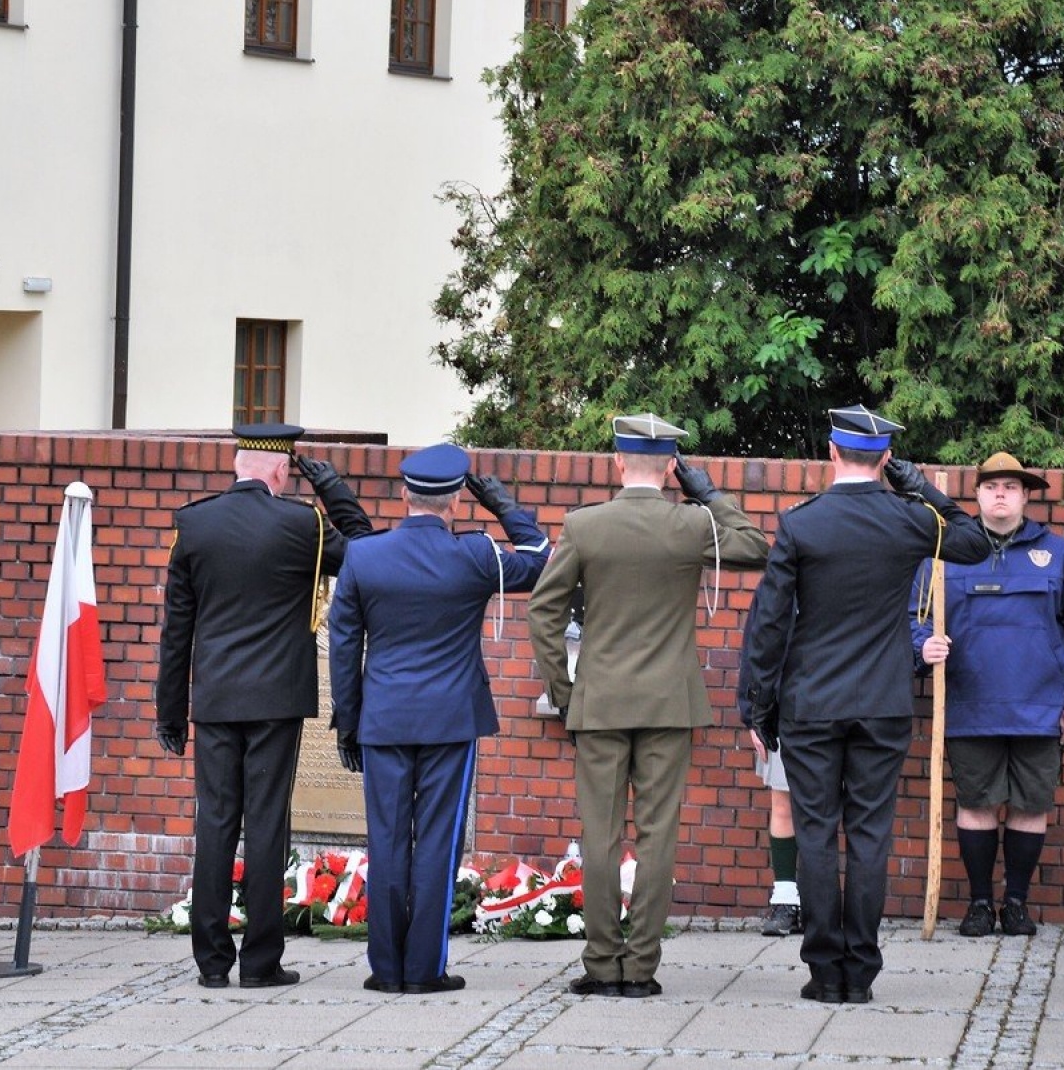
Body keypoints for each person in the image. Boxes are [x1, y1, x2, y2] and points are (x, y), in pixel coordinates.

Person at [743, 405, 991, 1006]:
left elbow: (770, 624)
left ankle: (825, 971)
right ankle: (862, 972)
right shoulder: (908, 519)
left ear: (831, 453)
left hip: (811, 703)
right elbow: (976, 540)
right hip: (882, 701)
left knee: (817, 835)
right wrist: (920, 486)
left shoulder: (802, 524)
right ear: (884, 458)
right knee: (871, 835)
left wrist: (758, 707)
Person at [529, 414, 770, 999]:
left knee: (601, 835)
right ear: (669, 467)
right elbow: (755, 547)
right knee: (659, 835)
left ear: (617, 463)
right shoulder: (690, 523)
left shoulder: (585, 526)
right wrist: (711, 494)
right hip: (669, 703)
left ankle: (601, 964)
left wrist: (565, 694)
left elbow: (544, 613)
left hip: (601, 703)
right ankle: (641, 969)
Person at [155, 423, 372, 990]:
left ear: (237, 466)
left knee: (216, 823)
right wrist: (335, 494)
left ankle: (210, 963)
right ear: (281, 470)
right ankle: (261, 963)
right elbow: (368, 555)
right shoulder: (304, 525)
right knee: (268, 823)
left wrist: (170, 711)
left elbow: (177, 629)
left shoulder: (194, 524)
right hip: (277, 700)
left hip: (217, 698)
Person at [327, 444, 550, 994]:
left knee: (386, 841)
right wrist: (499, 503)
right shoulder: (474, 555)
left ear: (405, 494)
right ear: (454, 500)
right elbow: (542, 556)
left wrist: (350, 721)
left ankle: (386, 970)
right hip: (450, 720)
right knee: (436, 844)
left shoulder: (365, 556)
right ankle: (424, 970)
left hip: (383, 718)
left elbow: (342, 643)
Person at [910, 452, 1064, 939]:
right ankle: (980, 904)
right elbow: (912, 621)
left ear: (1025, 496)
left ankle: (1015, 904)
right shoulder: (942, 557)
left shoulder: (1061, 556)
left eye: (1011, 487)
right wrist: (923, 647)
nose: (1000, 494)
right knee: (976, 804)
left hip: (1040, 709)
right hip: (969, 706)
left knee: (1030, 806)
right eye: (991, 485)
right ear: (975, 495)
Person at [737, 599, 800, 937]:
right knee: (783, 801)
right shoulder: (777, 582)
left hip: (838, 707)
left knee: (829, 805)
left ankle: (819, 900)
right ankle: (787, 899)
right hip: (784, 707)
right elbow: (755, 647)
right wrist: (752, 711)